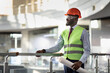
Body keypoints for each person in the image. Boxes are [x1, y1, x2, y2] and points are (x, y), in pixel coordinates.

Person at [36, 8, 90, 73]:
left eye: (69, 16)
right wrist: (44, 51)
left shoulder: (83, 32)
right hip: (66, 62)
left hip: (77, 63)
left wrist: (80, 62)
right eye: (67, 16)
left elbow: (87, 50)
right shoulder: (64, 32)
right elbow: (57, 47)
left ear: (76, 19)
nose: (67, 18)